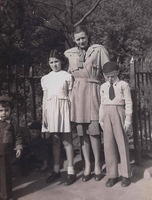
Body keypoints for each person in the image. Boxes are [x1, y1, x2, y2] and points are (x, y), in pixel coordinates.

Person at [64, 24, 109, 182]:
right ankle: (87, 165)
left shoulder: (98, 50)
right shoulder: (70, 54)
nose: (81, 41)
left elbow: (108, 71)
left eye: (83, 38)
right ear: (74, 40)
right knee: (82, 134)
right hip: (77, 95)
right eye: (78, 39)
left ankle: (97, 164)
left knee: (94, 132)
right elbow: (68, 77)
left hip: (93, 91)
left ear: (88, 37)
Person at [41, 49, 76, 186]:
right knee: (55, 141)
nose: (54, 64)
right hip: (51, 110)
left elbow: (71, 97)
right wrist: (44, 114)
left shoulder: (67, 76)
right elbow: (45, 98)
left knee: (66, 141)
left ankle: (71, 171)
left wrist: (72, 113)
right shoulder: (46, 78)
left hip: (63, 109)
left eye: (56, 61)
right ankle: (56, 170)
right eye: (51, 62)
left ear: (61, 62)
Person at [99, 61, 133, 187]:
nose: (110, 78)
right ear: (104, 75)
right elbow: (102, 104)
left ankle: (126, 175)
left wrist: (128, 119)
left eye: (112, 75)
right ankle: (112, 175)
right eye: (107, 76)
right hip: (106, 114)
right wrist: (101, 119)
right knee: (108, 145)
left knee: (122, 144)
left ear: (117, 72)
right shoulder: (103, 87)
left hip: (119, 112)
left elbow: (128, 103)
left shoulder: (123, 85)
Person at [0, 95, 22, 200]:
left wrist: (18, 147)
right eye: (1, 110)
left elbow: (18, 136)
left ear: (10, 111)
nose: (3, 113)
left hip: (6, 154)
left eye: (6, 110)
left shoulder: (13, 124)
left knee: (6, 175)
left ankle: (6, 195)